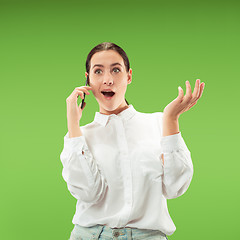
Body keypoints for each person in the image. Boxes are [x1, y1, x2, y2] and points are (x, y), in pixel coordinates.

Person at [60, 42, 205, 240]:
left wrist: (171, 119)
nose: (108, 80)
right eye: (98, 71)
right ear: (88, 79)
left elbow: (175, 187)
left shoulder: (158, 123)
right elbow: (88, 193)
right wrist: (73, 124)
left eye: (116, 70)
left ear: (129, 76)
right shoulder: (80, 136)